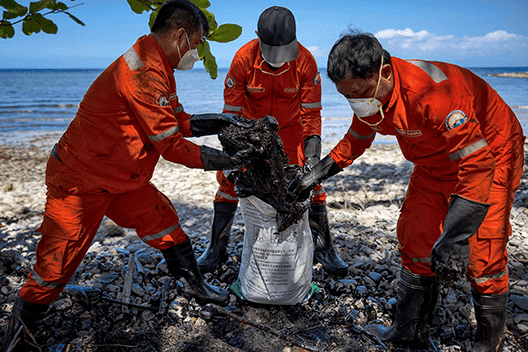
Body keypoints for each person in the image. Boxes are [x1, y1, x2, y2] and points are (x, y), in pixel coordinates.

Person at [2, 0, 253, 350]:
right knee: (56, 266)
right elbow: (172, 146)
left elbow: (177, 119)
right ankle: (20, 337)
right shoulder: (146, 72)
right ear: (180, 36)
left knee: (162, 218)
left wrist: (222, 121)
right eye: (196, 44)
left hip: (121, 176)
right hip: (80, 180)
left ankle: (197, 287)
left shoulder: (157, 63)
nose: (196, 52)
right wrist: (230, 160)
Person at [290, 31, 524, 351]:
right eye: (348, 97)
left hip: (491, 156)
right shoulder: (373, 96)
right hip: (432, 165)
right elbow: (357, 138)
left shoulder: (435, 95)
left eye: (359, 93)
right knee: (416, 237)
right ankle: (408, 335)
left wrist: (455, 235)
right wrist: (315, 174)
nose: (356, 102)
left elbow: (477, 165)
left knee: (483, 253)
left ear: (384, 72)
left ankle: (487, 344)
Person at [197, 6, 349, 276]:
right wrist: (232, 155)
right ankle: (216, 249)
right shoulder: (243, 59)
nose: (279, 59)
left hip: (291, 130)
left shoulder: (305, 61)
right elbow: (230, 114)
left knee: (312, 184)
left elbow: (312, 115)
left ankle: (325, 250)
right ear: (257, 36)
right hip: (250, 130)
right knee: (228, 182)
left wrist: (313, 159)